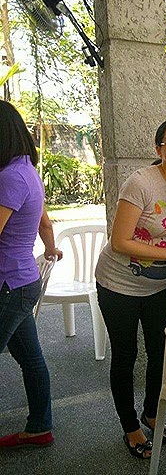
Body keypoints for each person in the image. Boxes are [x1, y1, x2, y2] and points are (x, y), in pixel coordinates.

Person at [95, 118, 166, 459]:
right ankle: (130, 425)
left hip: (159, 285)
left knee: (160, 352)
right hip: (118, 283)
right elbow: (120, 241)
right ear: (158, 148)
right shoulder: (141, 183)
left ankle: (151, 412)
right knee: (126, 354)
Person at [0, 100, 62, 449]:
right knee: (30, 358)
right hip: (22, 282)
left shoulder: (9, 177)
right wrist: (50, 249)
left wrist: (49, 250)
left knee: (31, 358)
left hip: (9, 284)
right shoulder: (26, 171)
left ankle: (40, 426)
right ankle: (39, 427)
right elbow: (44, 222)